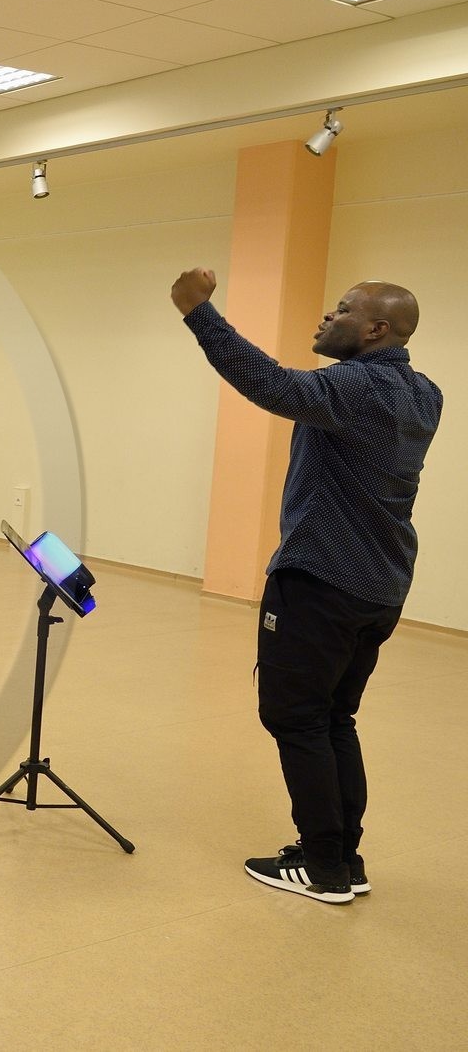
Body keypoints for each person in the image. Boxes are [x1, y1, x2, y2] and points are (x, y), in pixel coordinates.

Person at [170, 268, 442, 905]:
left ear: (377, 330)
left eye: (343, 310)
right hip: (381, 584)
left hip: (323, 579)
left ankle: (323, 866)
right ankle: (344, 854)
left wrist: (198, 313)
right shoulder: (424, 392)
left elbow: (270, 384)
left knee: (293, 716)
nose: (326, 317)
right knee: (333, 716)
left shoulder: (359, 384)